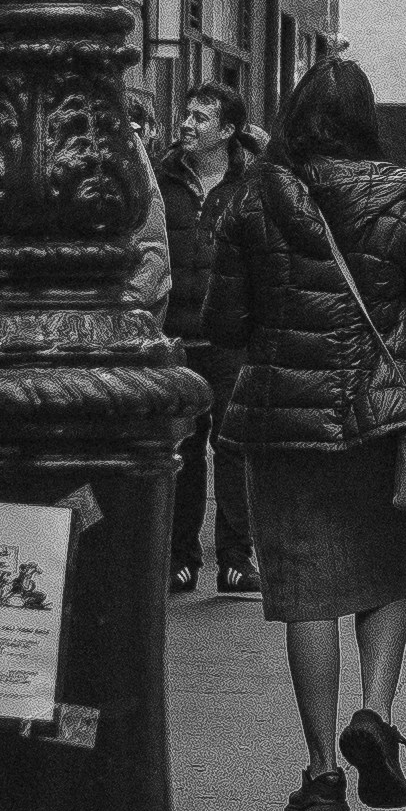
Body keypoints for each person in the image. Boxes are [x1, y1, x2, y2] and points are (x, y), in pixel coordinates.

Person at [207, 56, 406, 811]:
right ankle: (375, 714)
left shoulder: (253, 199)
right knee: (382, 573)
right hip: (375, 417)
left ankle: (322, 771)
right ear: (370, 120)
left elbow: (222, 323)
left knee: (304, 594)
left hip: (278, 422)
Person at [162, 82, 252, 594]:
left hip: (230, 338)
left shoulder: (250, 183)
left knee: (233, 446)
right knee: (184, 449)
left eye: (202, 118)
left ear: (228, 130)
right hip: (175, 335)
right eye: (188, 114)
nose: (188, 124)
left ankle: (236, 558)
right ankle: (181, 556)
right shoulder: (161, 177)